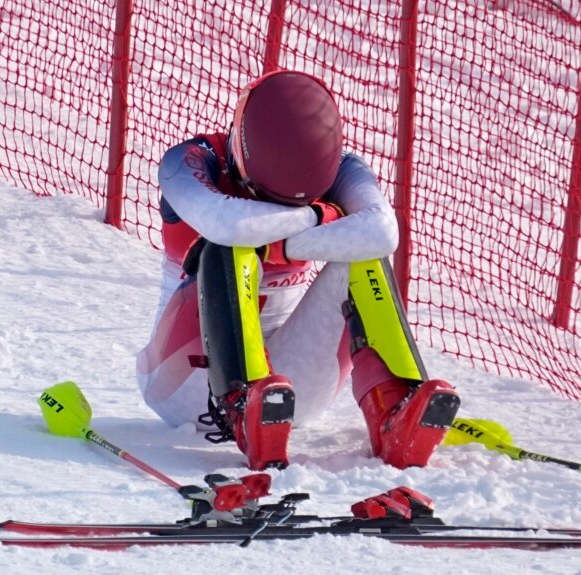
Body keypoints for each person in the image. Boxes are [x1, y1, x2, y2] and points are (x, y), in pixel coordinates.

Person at [136, 70, 460, 471]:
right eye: (265, 197)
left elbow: (381, 231)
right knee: (230, 248)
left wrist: (279, 235)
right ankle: (242, 403)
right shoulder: (188, 161)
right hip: (186, 384)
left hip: (288, 396)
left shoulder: (345, 167)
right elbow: (230, 225)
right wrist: (319, 216)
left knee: (363, 255)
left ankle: (394, 407)